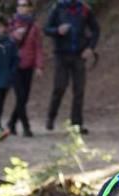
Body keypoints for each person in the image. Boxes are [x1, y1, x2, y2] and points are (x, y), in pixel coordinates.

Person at [44, 0, 100, 134]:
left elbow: (96, 29)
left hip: (79, 55)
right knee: (59, 87)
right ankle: (51, 117)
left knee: (79, 90)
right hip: (61, 55)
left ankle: (76, 124)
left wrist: (90, 48)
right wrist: (57, 30)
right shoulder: (57, 8)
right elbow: (46, 29)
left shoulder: (85, 9)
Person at [7, 0, 44, 137]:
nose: (21, 8)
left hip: (28, 66)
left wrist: (39, 65)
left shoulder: (34, 26)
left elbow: (38, 47)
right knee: (21, 96)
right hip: (14, 65)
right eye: (19, 5)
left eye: (24, 5)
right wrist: (13, 36)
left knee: (24, 98)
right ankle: (26, 127)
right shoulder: (11, 24)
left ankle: (11, 123)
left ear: (29, 8)